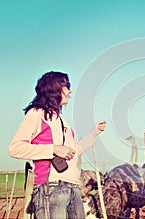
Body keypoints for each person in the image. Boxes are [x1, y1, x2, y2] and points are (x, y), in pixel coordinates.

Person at [8, 71, 106, 219]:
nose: (70, 90)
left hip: (73, 186)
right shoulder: (36, 114)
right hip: (51, 187)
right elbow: (14, 148)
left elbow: (74, 151)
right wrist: (53, 149)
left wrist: (94, 133)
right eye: (67, 85)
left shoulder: (62, 121)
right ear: (53, 88)